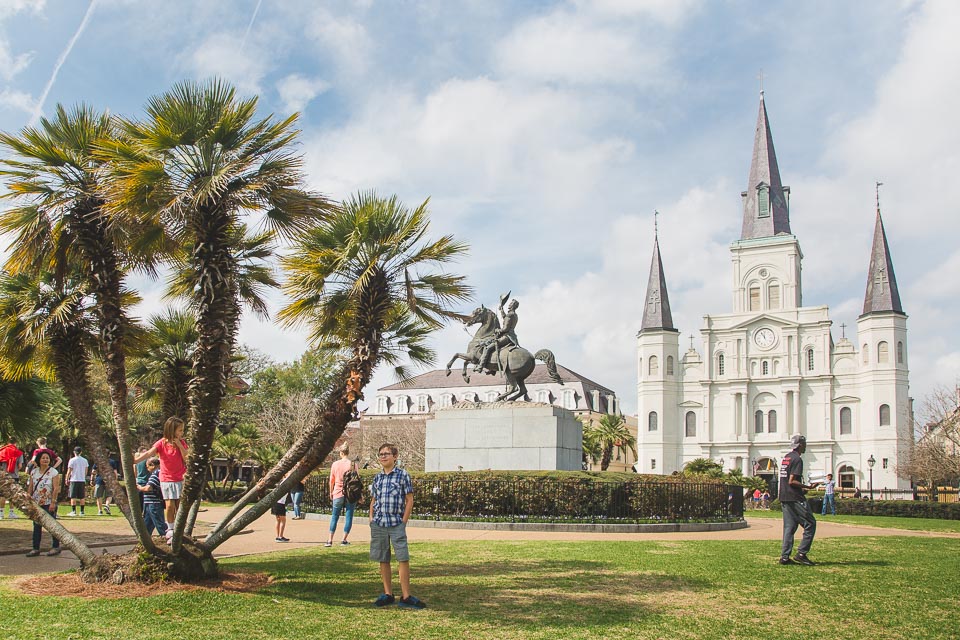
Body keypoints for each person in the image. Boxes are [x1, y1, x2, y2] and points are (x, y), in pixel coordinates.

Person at [369, 443, 425, 609]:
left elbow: (409, 500)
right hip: (379, 523)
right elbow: (374, 500)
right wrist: (371, 518)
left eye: (387, 453)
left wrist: (403, 521)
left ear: (395, 456)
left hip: (396, 523)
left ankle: (406, 595)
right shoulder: (377, 478)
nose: (383, 456)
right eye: (381, 454)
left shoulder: (402, 475)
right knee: (383, 558)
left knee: (402, 558)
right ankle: (388, 593)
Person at [134, 417, 188, 543]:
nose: (181, 433)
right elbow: (149, 453)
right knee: (170, 505)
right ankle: (170, 529)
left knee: (180, 506)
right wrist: (136, 460)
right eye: (180, 430)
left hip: (180, 478)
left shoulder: (182, 443)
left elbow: (186, 458)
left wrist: (179, 445)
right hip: (167, 478)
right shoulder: (161, 443)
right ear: (172, 430)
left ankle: (179, 530)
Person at [779, 434, 819, 566]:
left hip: (785, 496)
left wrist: (803, 489)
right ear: (800, 445)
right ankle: (802, 553)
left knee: (789, 527)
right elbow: (792, 481)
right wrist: (808, 486)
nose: (806, 446)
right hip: (795, 497)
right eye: (805, 443)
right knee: (810, 523)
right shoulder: (797, 459)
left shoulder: (787, 458)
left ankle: (785, 557)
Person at [25, 451, 61, 556]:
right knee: (36, 526)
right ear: (39, 460)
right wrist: (28, 498)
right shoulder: (34, 472)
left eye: (47, 458)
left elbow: (55, 488)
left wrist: (53, 502)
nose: (45, 460)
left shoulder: (53, 472)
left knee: (52, 525)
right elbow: (31, 487)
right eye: (43, 458)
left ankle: (55, 546)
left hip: (48, 502)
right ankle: (35, 548)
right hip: (36, 502)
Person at [475, 294, 520, 373]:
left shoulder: (510, 315)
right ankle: (491, 368)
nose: (509, 305)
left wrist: (498, 330)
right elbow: (506, 319)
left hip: (507, 336)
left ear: (513, 306)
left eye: (511, 304)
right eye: (509, 303)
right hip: (512, 336)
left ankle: (481, 366)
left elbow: (505, 328)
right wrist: (501, 310)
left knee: (488, 347)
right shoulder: (514, 315)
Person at [327, 445, 357, 547]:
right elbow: (357, 480)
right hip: (350, 493)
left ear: (341, 453)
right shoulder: (353, 464)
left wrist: (331, 492)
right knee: (349, 516)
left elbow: (331, 480)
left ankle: (330, 540)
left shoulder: (335, 464)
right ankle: (344, 539)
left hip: (338, 491)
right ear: (348, 452)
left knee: (334, 516)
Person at [137, 457, 167, 537]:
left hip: (154, 503)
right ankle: (145, 541)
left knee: (160, 524)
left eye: (147, 466)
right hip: (149, 503)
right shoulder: (157, 473)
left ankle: (167, 538)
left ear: (153, 465)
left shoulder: (156, 473)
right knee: (147, 526)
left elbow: (148, 488)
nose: (147, 469)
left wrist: (139, 487)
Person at [0, 437, 24, 519]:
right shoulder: (18, 452)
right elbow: (20, 466)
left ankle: (1, 513)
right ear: (16, 442)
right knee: (13, 495)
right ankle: (11, 513)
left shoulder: (2, 450)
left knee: (2, 495)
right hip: (14, 476)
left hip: (4, 476)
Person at [65, 446, 89, 517]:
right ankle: (82, 511)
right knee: (82, 497)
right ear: (81, 452)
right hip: (81, 480)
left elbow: (69, 470)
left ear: (74, 452)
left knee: (73, 496)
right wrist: (83, 477)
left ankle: (74, 511)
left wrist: (67, 478)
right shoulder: (85, 460)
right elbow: (86, 470)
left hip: (74, 479)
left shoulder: (72, 460)